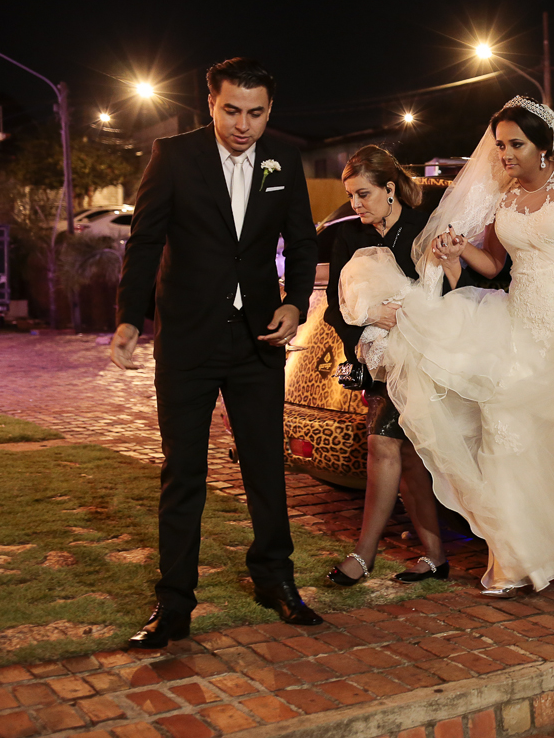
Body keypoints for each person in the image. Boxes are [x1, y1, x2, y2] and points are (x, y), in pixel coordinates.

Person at [380, 96, 554, 598]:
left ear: (544, 146)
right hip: (520, 325)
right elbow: (492, 265)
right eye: (500, 144)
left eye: (515, 144)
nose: (504, 154)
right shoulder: (502, 195)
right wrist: (458, 246)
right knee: (508, 436)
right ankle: (512, 558)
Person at [110, 58, 321, 649]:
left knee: (264, 464)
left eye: (256, 113)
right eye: (232, 110)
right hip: (187, 337)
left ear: (269, 111)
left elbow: (301, 240)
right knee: (184, 472)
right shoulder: (172, 156)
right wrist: (131, 318)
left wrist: (296, 304)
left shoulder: (285, 159)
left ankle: (275, 578)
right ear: (211, 103)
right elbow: (146, 240)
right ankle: (174, 602)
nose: (243, 124)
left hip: (257, 337)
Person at [322, 146, 448, 587]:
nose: (355, 205)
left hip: (422, 359)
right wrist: (364, 326)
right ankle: (435, 556)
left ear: (389, 189)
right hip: (376, 363)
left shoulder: (421, 231)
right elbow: (333, 310)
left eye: (363, 194)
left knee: (383, 447)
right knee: (405, 456)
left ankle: (364, 554)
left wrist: (410, 317)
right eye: (351, 195)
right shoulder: (347, 239)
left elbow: (446, 294)